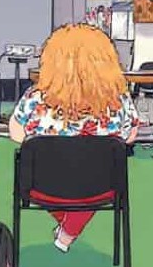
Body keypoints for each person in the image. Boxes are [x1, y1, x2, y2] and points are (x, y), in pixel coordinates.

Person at [8, 23, 140, 253]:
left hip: (44, 185)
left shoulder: (35, 97)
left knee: (44, 168)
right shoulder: (119, 100)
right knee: (98, 169)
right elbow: (129, 137)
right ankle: (70, 229)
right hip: (99, 187)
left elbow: (16, 133)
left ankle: (68, 226)